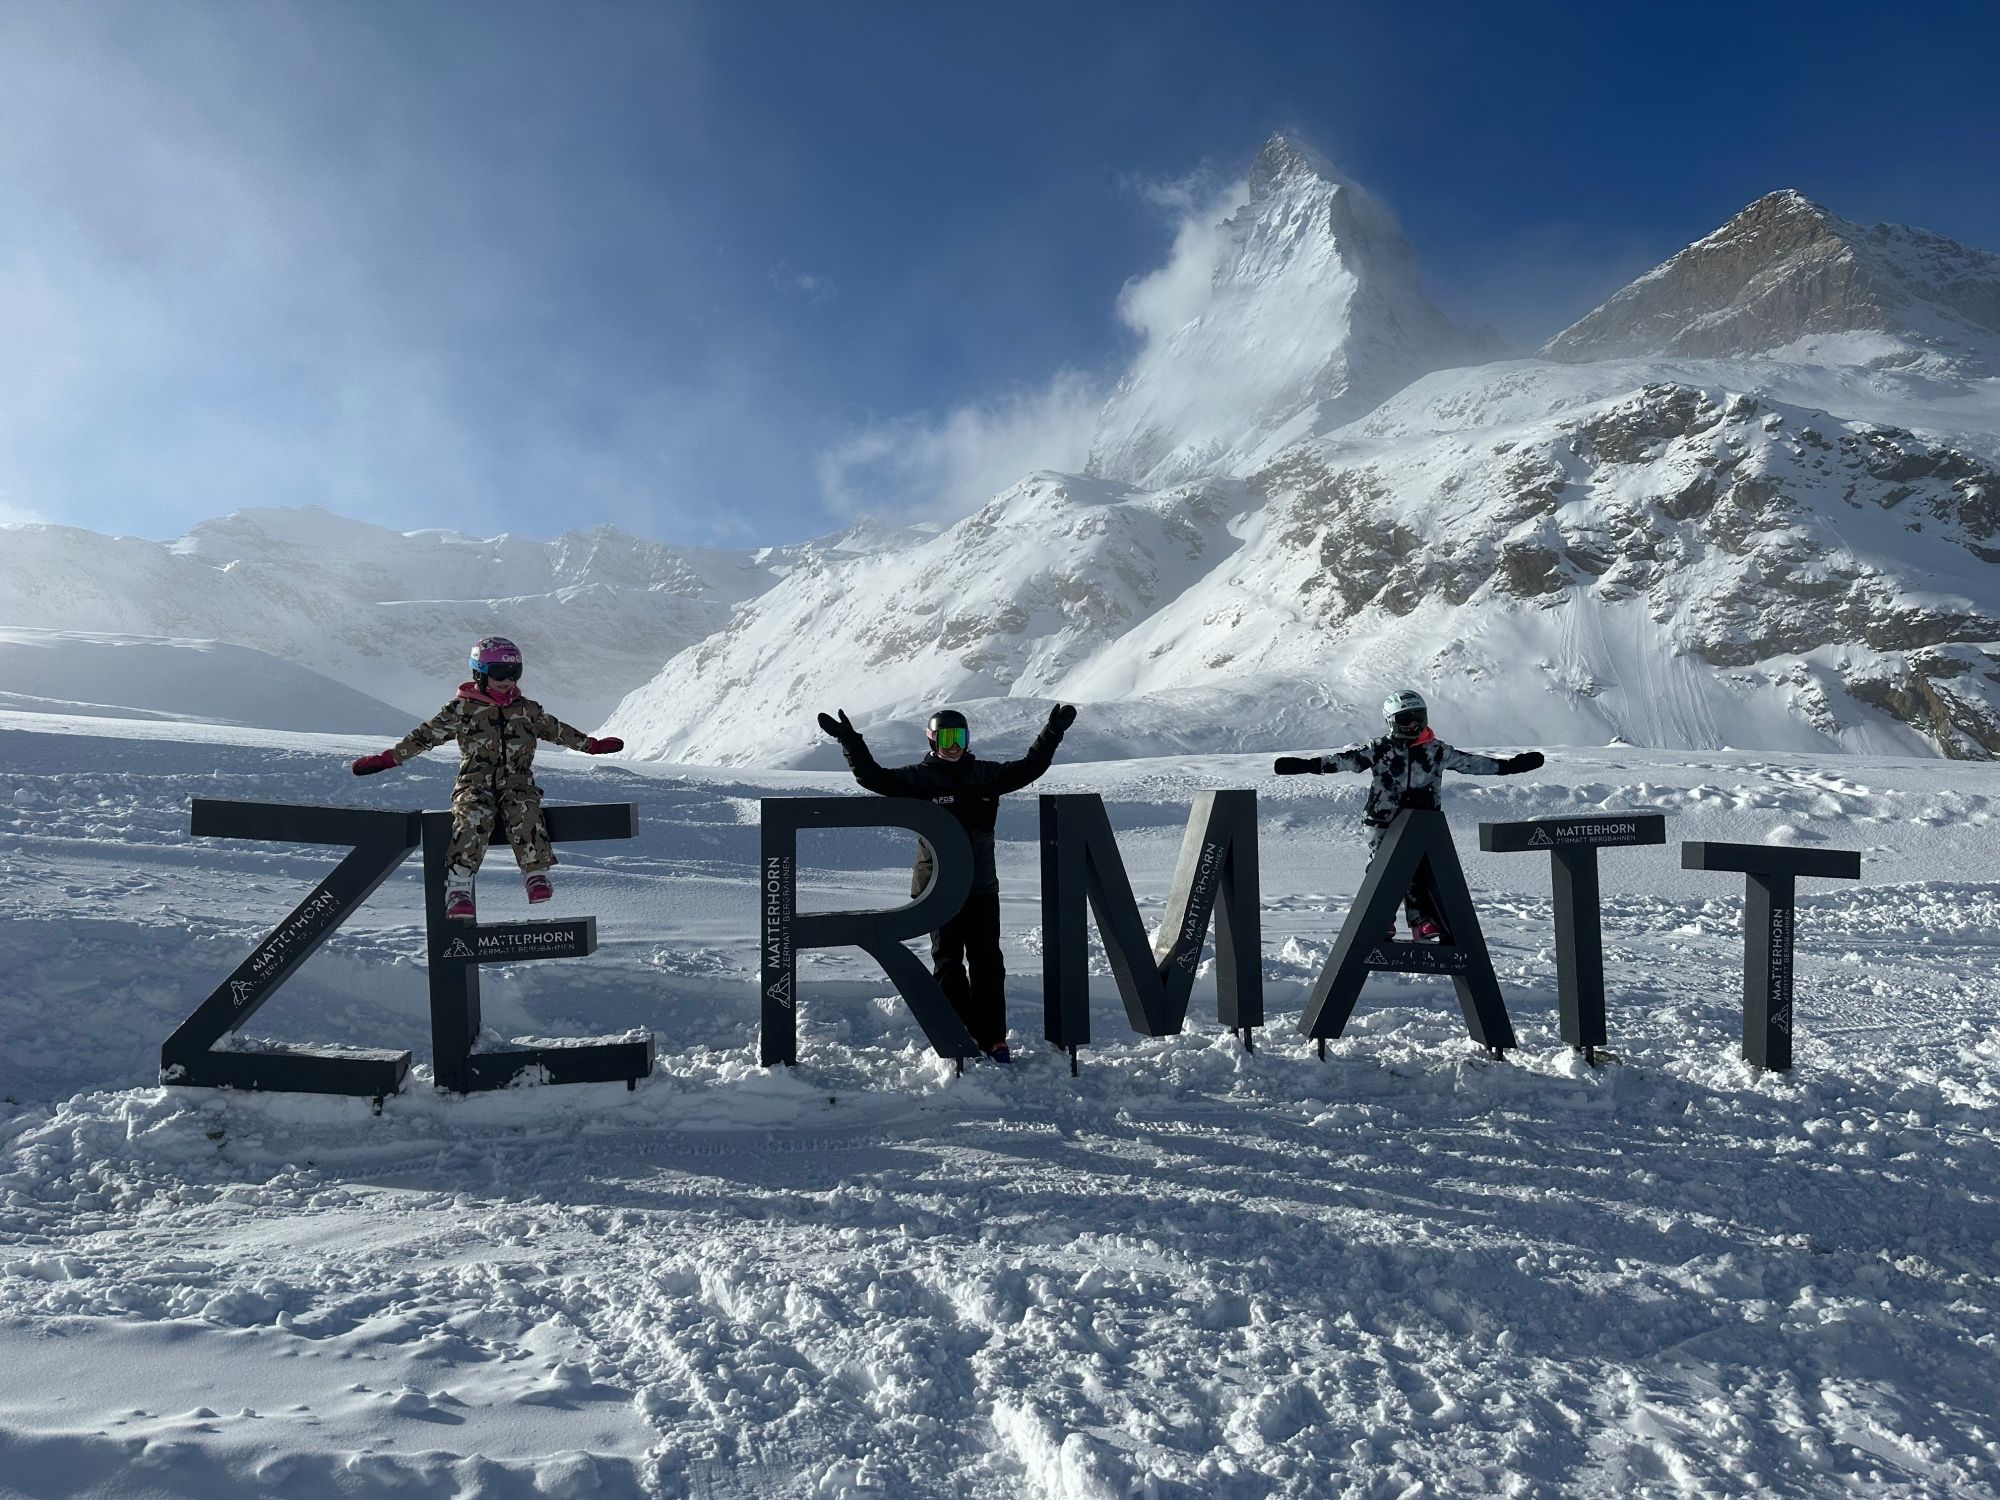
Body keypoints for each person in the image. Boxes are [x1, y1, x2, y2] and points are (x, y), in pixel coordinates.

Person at [816, 703, 1077, 1062]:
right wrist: (850, 740)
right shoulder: (919, 778)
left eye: (960, 738)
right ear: (933, 740)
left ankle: (993, 1039)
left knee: (988, 963)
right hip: (936, 888)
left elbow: (1031, 767)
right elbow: (873, 778)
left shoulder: (986, 775)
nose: (954, 746)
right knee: (948, 962)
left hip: (981, 886)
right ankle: (959, 1035)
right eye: (946, 738)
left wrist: (1053, 731)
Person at [349, 636, 624, 921]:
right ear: (479, 673)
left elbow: (557, 730)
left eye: (513, 673)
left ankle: (536, 874)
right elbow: (424, 736)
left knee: (526, 811)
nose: (506, 680)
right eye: (498, 673)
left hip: (517, 782)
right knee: (472, 818)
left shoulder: (527, 710)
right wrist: (388, 759)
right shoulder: (462, 710)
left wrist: (591, 745)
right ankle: (458, 888)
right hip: (474, 783)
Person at [1274, 689, 1543, 940]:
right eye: (1405, 721)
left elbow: (1473, 764)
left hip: (1422, 820)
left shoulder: (1436, 751)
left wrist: (1511, 767)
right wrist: (1307, 765)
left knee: (1421, 867)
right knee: (1384, 867)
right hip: (1383, 820)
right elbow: (1345, 760)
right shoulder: (1380, 748)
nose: (1413, 726)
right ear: (1391, 722)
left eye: (1418, 719)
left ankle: (1422, 921)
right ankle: (1381, 919)